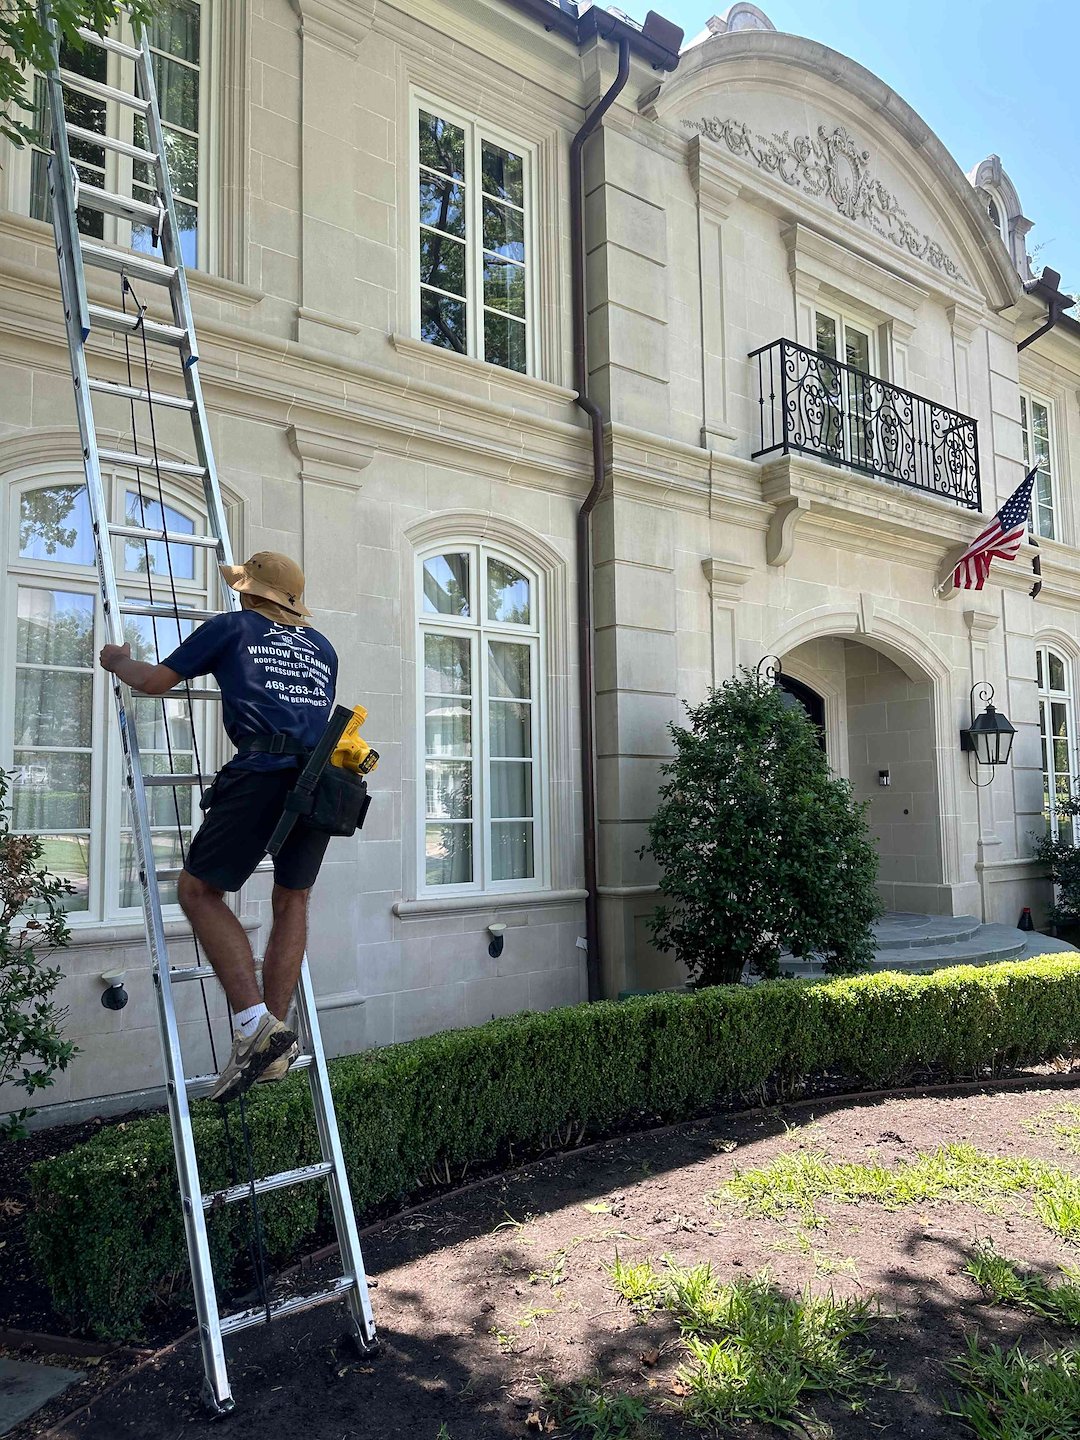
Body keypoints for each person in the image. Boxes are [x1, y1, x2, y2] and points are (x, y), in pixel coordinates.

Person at [98, 551, 338, 1102]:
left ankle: (255, 1027)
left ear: (249, 592)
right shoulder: (322, 647)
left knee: (198, 890)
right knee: (293, 899)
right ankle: (271, 1039)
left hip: (262, 773)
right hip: (320, 780)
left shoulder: (232, 627)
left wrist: (117, 662)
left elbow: (156, 682)